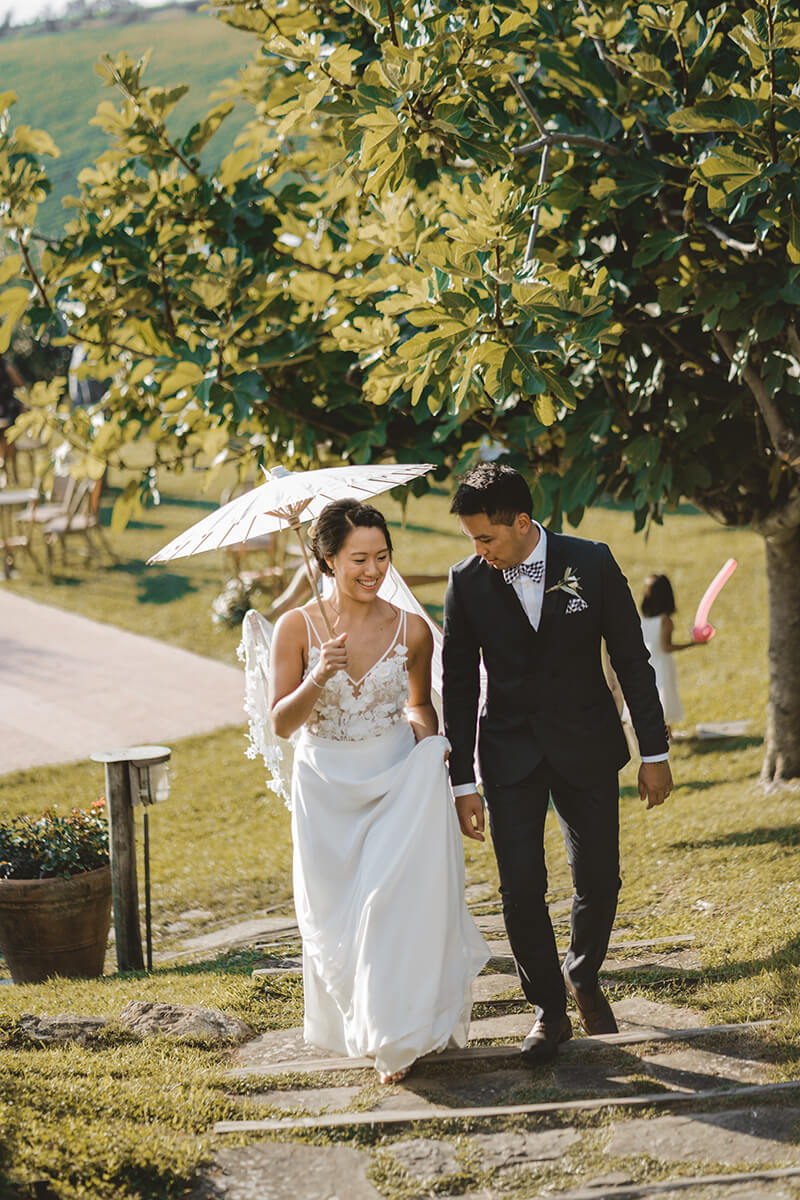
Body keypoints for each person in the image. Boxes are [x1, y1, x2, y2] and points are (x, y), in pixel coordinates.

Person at [442, 463, 672, 1066]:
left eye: (485, 538)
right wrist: (461, 780)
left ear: (522, 523)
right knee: (520, 890)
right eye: (471, 540)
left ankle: (582, 970)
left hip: (588, 743)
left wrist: (655, 752)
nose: (478, 550)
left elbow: (632, 659)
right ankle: (548, 1009)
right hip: (509, 753)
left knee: (599, 878)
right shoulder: (466, 582)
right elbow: (460, 683)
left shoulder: (591, 562)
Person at [267, 498, 488, 1083]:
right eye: (359, 558)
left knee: (388, 905)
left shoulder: (411, 628)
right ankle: (363, 1021)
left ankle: (399, 1034)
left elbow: (418, 702)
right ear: (328, 560)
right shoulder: (296, 627)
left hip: (394, 779)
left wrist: (423, 745)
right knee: (342, 917)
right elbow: (281, 724)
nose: (373, 570)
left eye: (382, 557)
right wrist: (320, 674)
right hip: (326, 792)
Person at [640, 573, 703, 735]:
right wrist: (692, 643)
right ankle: (665, 736)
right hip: (661, 664)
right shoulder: (665, 621)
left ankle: (664, 735)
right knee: (663, 700)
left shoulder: (641, 619)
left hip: (647, 662)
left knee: (655, 700)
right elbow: (666, 647)